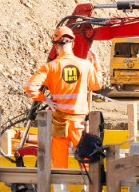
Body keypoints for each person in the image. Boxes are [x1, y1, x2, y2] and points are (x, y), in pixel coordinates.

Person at [24, 25, 102, 170]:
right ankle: (87, 188)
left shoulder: (50, 67)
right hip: (78, 121)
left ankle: (62, 189)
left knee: (59, 160)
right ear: (72, 44)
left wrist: (45, 99)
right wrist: (95, 62)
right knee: (85, 156)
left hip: (59, 120)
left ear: (55, 46)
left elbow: (30, 88)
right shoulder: (85, 65)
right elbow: (97, 85)